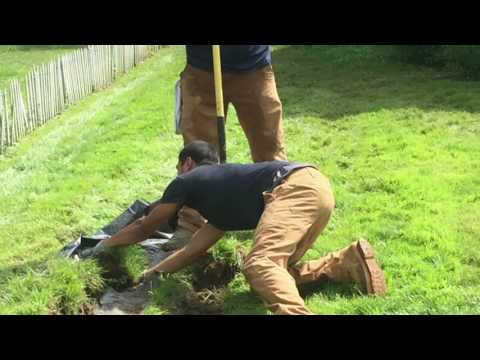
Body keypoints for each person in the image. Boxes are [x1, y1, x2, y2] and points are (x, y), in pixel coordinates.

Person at [82, 141, 387, 315]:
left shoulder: (187, 180)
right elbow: (191, 250)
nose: (177, 174)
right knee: (268, 276)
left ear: (187, 163)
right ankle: (346, 264)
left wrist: (103, 245)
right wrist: (153, 273)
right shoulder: (221, 203)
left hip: (294, 188)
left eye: (178, 168)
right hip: (314, 188)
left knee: (261, 264)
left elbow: (144, 226)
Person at [170, 45, 287, 251]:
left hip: (253, 69)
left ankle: (278, 222)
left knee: (270, 150)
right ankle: (190, 225)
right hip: (201, 72)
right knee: (197, 156)